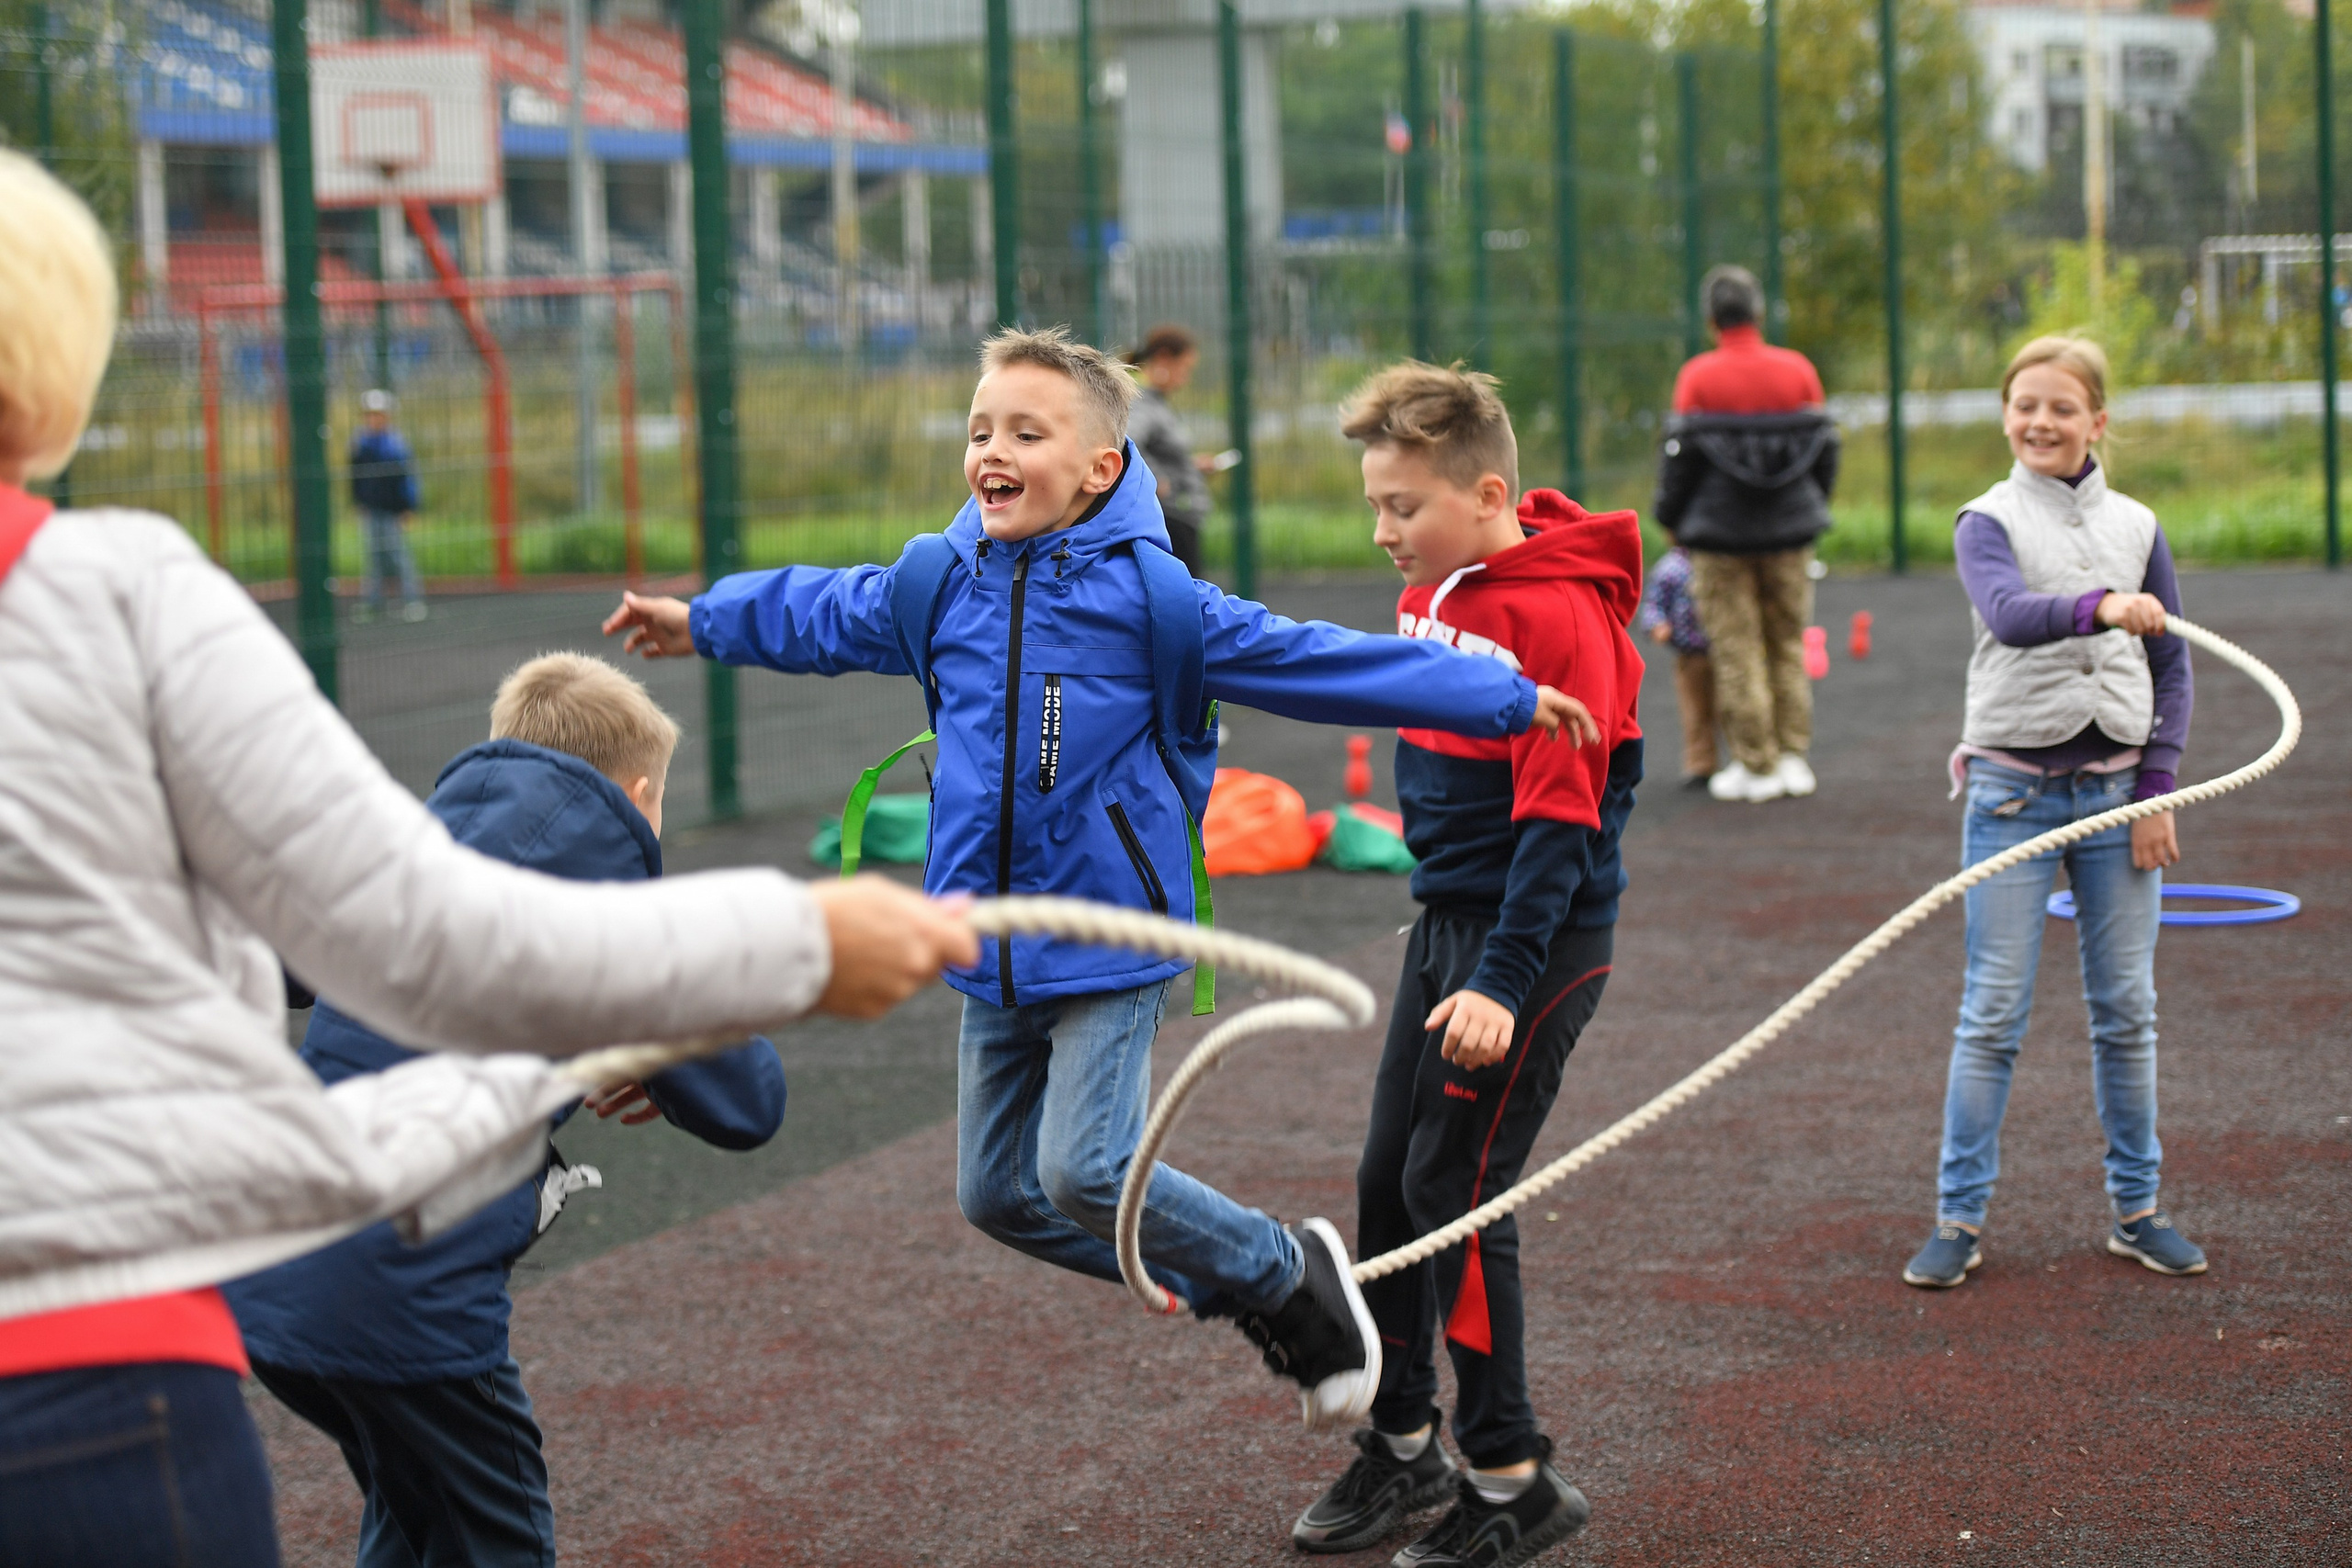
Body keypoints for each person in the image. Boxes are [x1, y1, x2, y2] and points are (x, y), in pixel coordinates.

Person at [0, 150, 975, 1568]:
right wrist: (796, 942)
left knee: (427, 1509)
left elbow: (309, 957)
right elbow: (429, 940)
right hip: (92, 1343)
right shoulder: (106, 590)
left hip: (270, 1294)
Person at [602, 326, 1591, 1435]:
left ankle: (1279, 1272)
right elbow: (823, 610)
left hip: (1110, 930)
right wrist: (704, 621)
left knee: (1083, 1169)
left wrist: (1500, 699)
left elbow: (1317, 661)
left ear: (1101, 467)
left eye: (1028, 431)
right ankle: (1255, 1278)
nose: (994, 450)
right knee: (995, 1196)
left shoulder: (1152, 601)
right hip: (986, 937)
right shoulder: (941, 584)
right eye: (981, 430)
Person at [223, 653, 789, 1568]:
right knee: (498, 1531)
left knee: (415, 1505)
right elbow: (749, 1102)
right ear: (640, 793)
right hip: (403, 1300)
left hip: (268, 1272)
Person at [1287, 364, 1641, 1566]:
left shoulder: (1555, 616)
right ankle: (1402, 1443)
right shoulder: (1438, 587)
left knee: (1458, 1194)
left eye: (1404, 507)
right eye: (1375, 504)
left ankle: (1513, 1474)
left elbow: (1561, 828)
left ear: (1486, 491)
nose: (1381, 531)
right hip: (1449, 923)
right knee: (1389, 1181)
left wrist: (1495, 977)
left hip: (1529, 941)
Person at [1903, 335, 2202, 1291]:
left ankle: (2138, 1210)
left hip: (2119, 798)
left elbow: (2173, 670)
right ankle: (1958, 1218)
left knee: (2127, 1012)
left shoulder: (2138, 523)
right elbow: (2007, 612)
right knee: (1991, 1013)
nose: (2040, 421)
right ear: (2004, 415)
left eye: (2061, 408)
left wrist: (2155, 789)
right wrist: (2100, 607)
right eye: (2024, 404)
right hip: (2010, 796)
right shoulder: (1982, 520)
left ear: (2096, 423)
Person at [1654, 264, 1838, 805]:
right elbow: (1824, 451)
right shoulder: (1798, 372)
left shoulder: (1698, 378)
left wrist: (1669, 517)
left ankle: (1755, 765)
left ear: (1711, 320)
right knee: (1786, 640)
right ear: (1758, 313)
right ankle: (1793, 758)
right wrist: (1812, 506)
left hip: (1718, 540)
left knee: (1735, 649)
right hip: (1790, 535)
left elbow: (1678, 464)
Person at [1125, 322, 1216, 577]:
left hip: (1179, 516)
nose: (1185, 378)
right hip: (1170, 518)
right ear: (1164, 358)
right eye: (1184, 368)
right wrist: (1156, 478)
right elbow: (1126, 440)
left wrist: (1190, 465)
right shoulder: (1140, 400)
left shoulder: (1154, 400)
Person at [1636, 543, 1716, 785]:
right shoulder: (1670, 569)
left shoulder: (1720, 561)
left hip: (1728, 651)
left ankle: (1747, 762)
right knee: (1695, 711)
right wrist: (1657, 624)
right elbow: (1653, 605)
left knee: (1735, 707)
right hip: (1691, 653)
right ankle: (1701, 765)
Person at [350, 389, 428, 624]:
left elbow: (408, 478)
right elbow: (356, 478)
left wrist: (408, 507)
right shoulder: (360, 444)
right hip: (371, 510)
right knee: (373, 557)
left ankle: (413, 600)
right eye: (370, 414)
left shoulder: (396, 445)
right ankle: (373, 602)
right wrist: (359, 503)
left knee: (399, 555)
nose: (374, 419)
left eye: (379, 414)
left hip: (393, 511)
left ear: (387, 416)